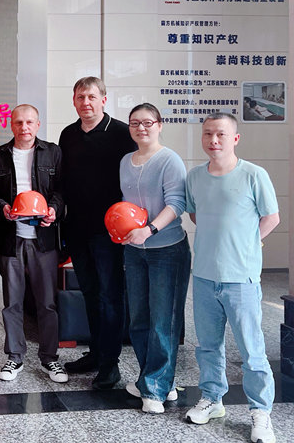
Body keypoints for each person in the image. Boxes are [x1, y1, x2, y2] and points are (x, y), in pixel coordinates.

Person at [184, 112, 278, 443]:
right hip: (204, 276)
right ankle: (212, 400)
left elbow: (271, 217)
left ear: (235, 138)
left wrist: (249, 243)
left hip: (241, 278)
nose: (214, 140)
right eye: (208, 134)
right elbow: (195, 213)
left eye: (221, 134)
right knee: (208, 347)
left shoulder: (254, 174)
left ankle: (261, 412)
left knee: (252, 349)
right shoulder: (195, 176)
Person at [59, 76, 136, 390]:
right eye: (80, 97)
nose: (86, 103)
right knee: (89, 293)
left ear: (104, 99)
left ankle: (110, 364)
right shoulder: (68, 134)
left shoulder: (121, 133)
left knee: (109, 296)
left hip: (109, 233)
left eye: (91, 97)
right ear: (74, 101)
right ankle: (95, 353)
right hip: (77, 229)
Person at [0, 104, 67, 384]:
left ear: (38, 124)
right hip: (11, 238)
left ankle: (50, 357)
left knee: (47, 302)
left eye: (29, 122)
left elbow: (61, 191)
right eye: (19, 122)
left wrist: (54, 210)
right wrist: (3, 208)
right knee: (12, 302)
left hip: (44, 239)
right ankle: (14, 356)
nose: (24, 127)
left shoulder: (53, 152)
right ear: (11, 125)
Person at [118, 103, 190, 414]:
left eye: (148, 122)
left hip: (167, 249)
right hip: (135, 250)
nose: (141, 128)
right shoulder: (125, 161)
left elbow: (176, 203)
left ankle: (156, 388)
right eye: (135, 123)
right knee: (139, 320)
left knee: (164, 321)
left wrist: (149, 230)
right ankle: (156, 378)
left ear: (159, 125)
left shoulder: (170, 160)